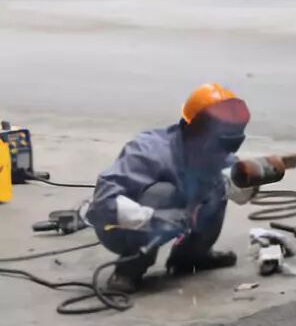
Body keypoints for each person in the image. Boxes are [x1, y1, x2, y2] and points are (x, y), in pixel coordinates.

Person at [88, 83, 256, 293]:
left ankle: (191, 257)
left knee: (220, 181)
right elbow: (101, 205)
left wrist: (247, 182)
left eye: (228, 146)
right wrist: (152, 217)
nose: (220, 154)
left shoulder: (219, 157)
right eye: (215, 145)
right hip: (117, 228)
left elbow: (240, 194)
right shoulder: (149, 151)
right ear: (191, 130)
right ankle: (128, 268)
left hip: (174, 217)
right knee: (162, 192)